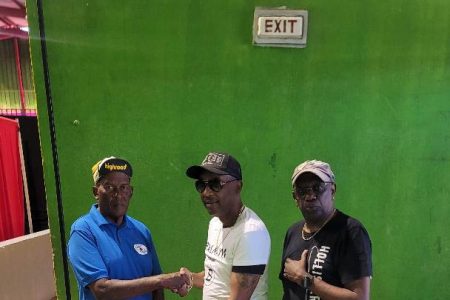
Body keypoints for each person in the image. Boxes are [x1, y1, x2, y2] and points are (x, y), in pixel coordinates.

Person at [68, 156, 191, 300]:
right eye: (109, 187)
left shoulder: (141, 230)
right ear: (96, 192)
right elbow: (102, 289)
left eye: (123, 188)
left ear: (130, 192)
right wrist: (162, 280)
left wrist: (161, 281)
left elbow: (156, 284)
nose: (118, 195)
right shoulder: (83, 231)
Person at [181, 152, 271, 299]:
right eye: (201, 185)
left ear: (238, 186)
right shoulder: (215, 223)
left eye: (215, 184)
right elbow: (217, 278)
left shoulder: (251, 234)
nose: (206, 192)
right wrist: (190, 278)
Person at [280, 160, 372, 300]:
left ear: (332, 190)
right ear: (295, 198)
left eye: (318, 188)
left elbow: (360, 298)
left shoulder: (350, 231)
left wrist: (304, 278)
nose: (311, 196)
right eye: (302, 191)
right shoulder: (292, 232)